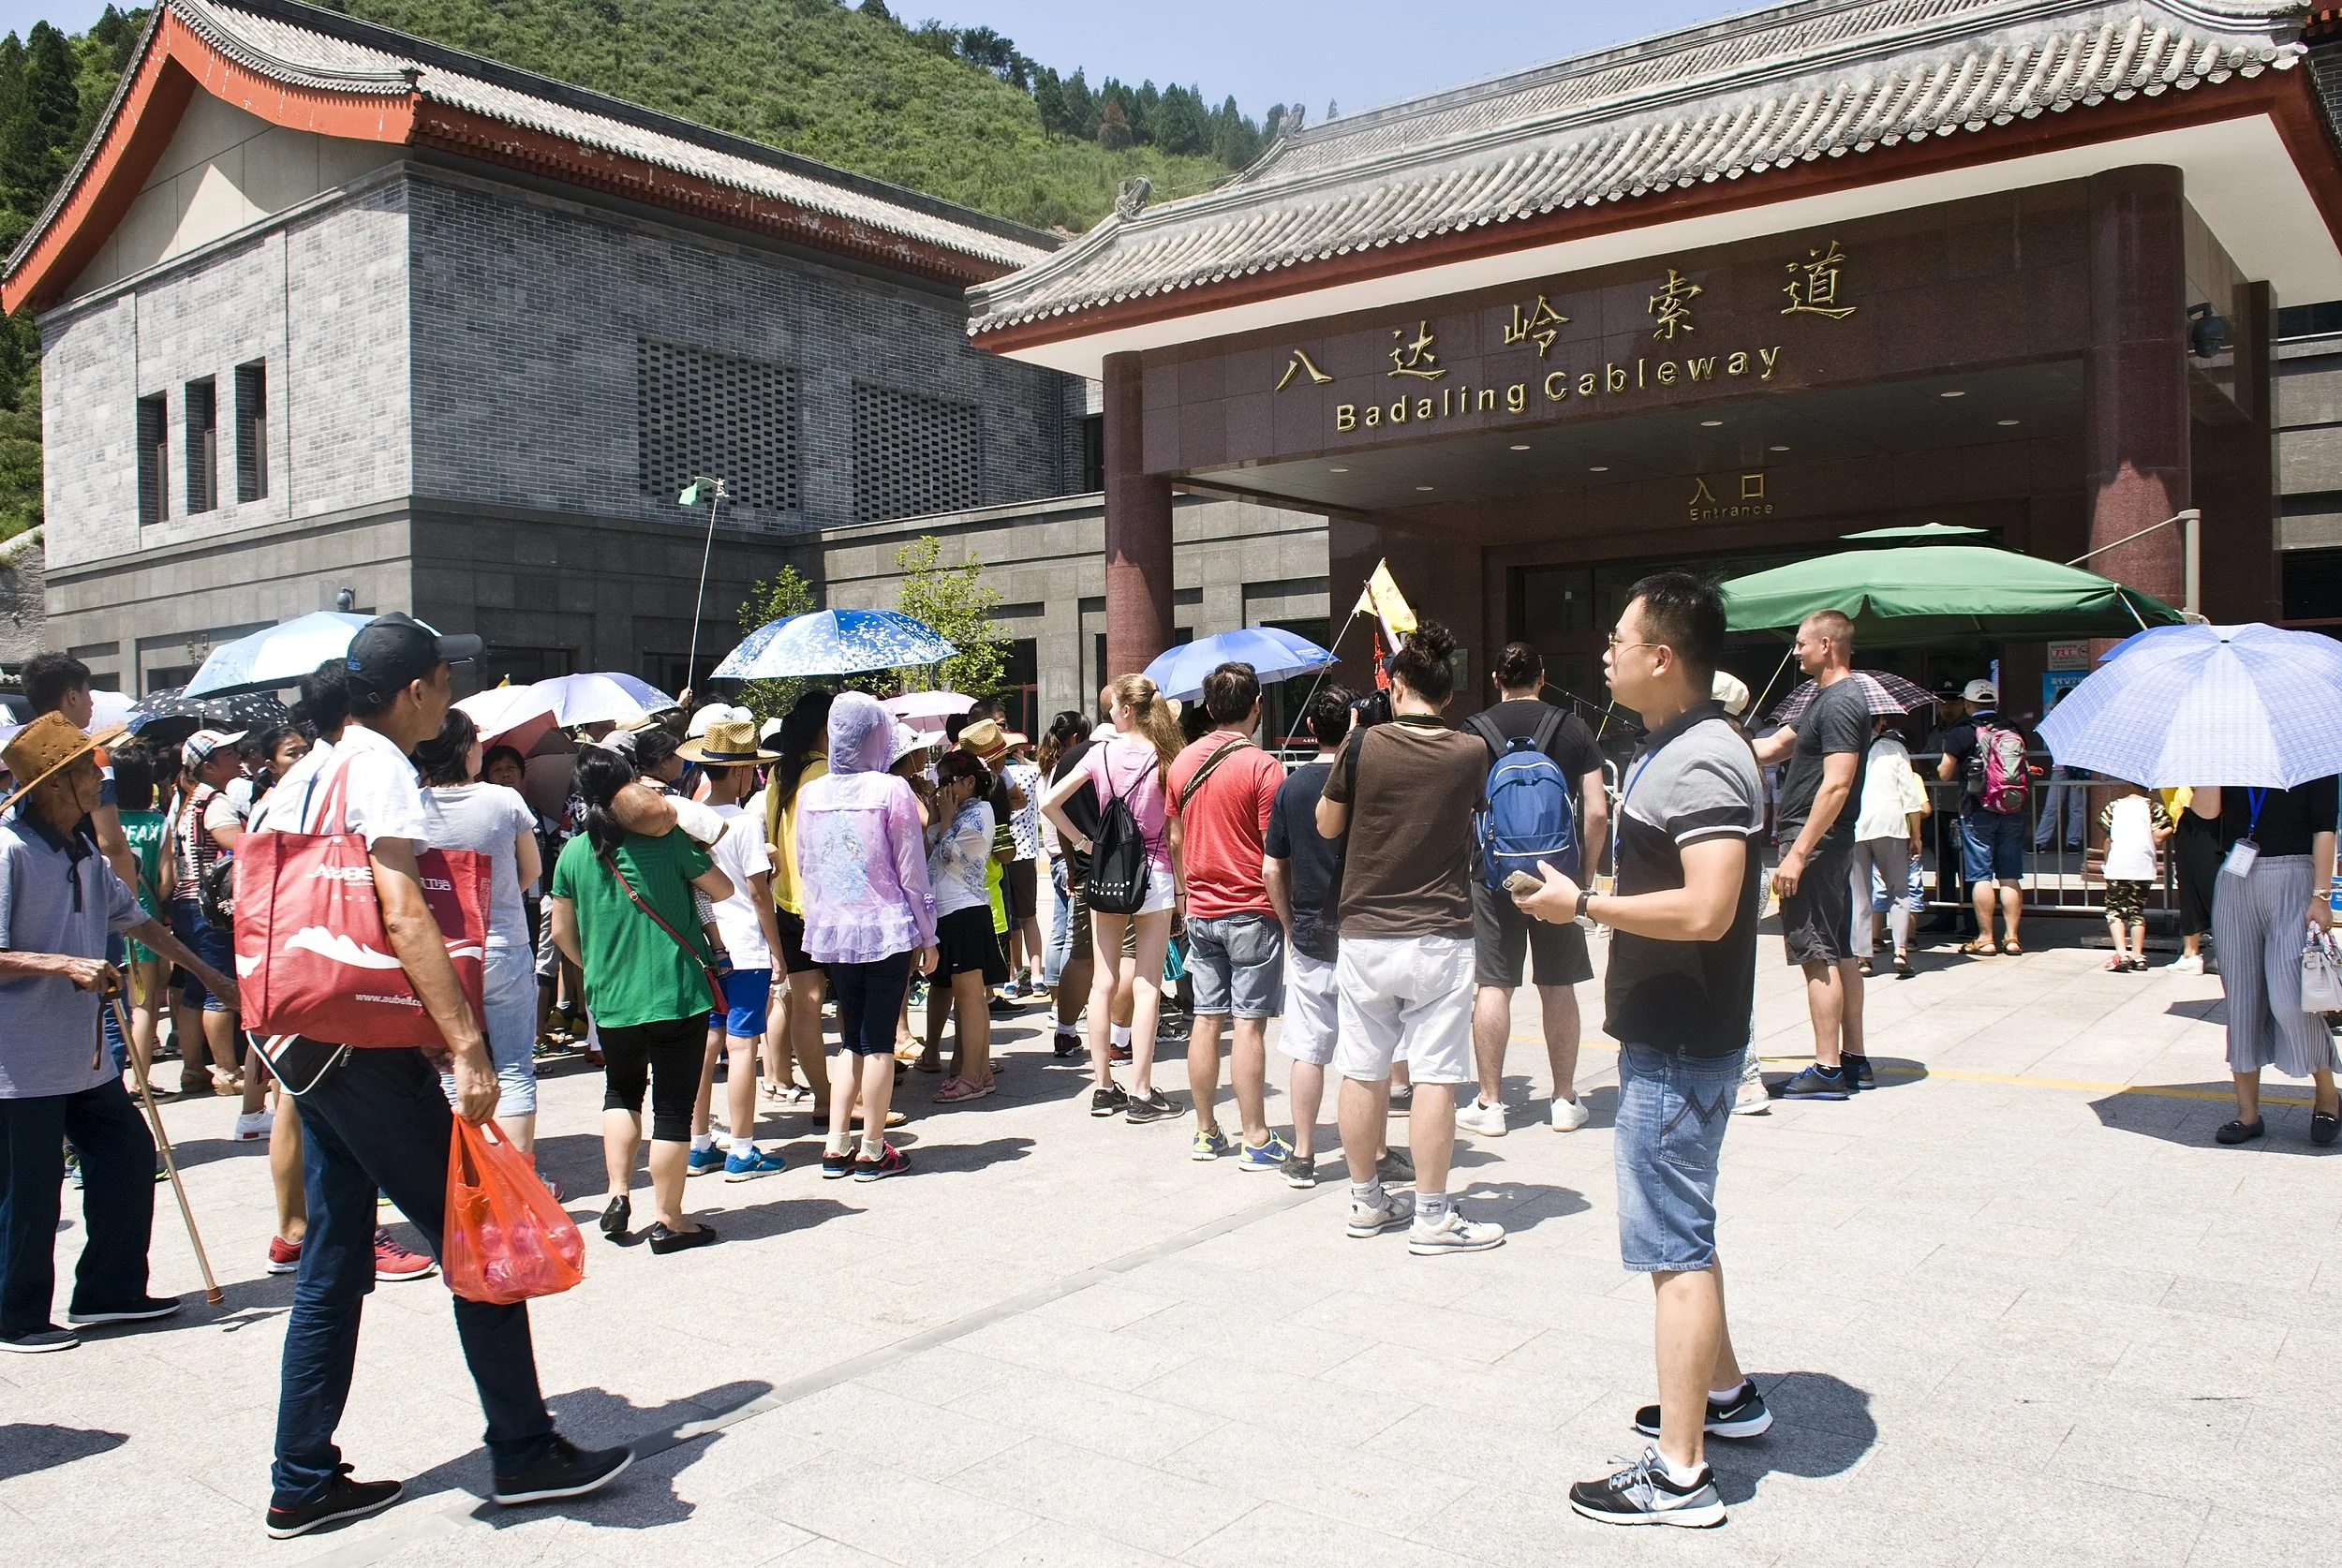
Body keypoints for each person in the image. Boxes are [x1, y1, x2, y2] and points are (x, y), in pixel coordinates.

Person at [251, 614, 630, 1534]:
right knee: (480, 1236)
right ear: (417, 690)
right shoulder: (379, 764)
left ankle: (302, 1477)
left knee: (335, 1260)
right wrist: (463, 1040)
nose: (450, 700)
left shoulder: (303, 770)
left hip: (303, 1035)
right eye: (444, 683)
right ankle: (524, 1450)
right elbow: (400, 909)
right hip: (362, 1048)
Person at [1513, 572, 1769, 1529]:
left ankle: (1679, 1474)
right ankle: (1729, 1399)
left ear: (1662, 657)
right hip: (1681, 1030)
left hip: (1679, 1038)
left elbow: (1707, 906)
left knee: (1675, 1250)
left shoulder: (1701, 757)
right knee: (1686, 1230)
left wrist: (1582, 903)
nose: (1606, 653)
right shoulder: (1686, 744)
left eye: (1619, 638)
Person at [0, 715, 240, 1354]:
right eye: (86, 771)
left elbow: (137, 922)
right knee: (29, 1189)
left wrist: (209, 973)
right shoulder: (9, 851)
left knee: (129, 1158)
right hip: (19, 1058)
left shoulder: (81, 852)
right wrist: (59, 963)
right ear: (54, 785)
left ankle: (108, 1291)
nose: (97, 780)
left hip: (82, 1052)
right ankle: (15, 1314)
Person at [1316, 620, 1506, 1255]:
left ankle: (1367, 1202)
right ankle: (1432, 1216)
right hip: (1440, 932)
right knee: (1434, 1077)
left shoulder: (1363, 746)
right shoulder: (1471, 750)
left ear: (1396, 686)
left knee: (1363, 1071)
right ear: (1447, 695)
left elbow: (1326, 826)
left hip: (1366, 929)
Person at [550, 748, 731, 1251]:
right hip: (676, 993)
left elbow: (562, 932)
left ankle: (617, 1192)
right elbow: (724, 890)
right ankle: (670, 1220)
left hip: (611, 997)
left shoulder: (573, 853)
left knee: (621, 1091)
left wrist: (600, 967)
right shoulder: (668, 841)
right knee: (673, 1109)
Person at [1459, 643, 1608, 1138]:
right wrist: (1580, 882)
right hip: (1558, 878)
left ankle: (1491, 1104)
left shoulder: (1473, 731)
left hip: (1493, 875)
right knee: (1557, 984)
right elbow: (1595, 812)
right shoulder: (1573, 728)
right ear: (1541, 678)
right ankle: (1564, 1100)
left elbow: (1458, 811)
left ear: (1497, 678)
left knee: (1494, 985)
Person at [794, 694, 939, 1179]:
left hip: (834, 927)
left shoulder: (812, 793)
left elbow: (807, 866)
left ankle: (836, 1143)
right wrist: (928, 932)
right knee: (879, 1040)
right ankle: (873, 1147)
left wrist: (821, 915)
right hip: (886, 925)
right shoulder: (892, 789)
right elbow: (911, 869)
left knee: (850, 1039)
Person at [1042, 674, 1186, 1123]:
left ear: (1127, 710)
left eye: (1113, 708)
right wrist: (1182, 892)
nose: (1109, 715)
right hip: (1156, 875)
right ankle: (1141, 1090)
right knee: (1147, 986)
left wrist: (1084, 844)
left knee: (1102, 982)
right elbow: (1177, 834)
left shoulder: (1100, 753)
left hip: (1107, 873)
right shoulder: (1169, 758)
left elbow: (1049, 803)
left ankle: (1103, 1086)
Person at [1164, 663, 1290, 1165]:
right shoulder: (1265, 768)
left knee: (1206, 1021)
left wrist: (1183, 896)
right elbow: (1273, 852)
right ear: (1256, 706)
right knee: (1250, 1026)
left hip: (1200, 908)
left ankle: (1205, 1130)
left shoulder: (1181, 764)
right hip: (1252, 911)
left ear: (1210, 708)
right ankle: (1255, 1136)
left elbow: (1175, 839)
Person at [416, 708, 545, 1154]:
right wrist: (500, 895)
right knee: (513, 1067)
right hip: (504, 943)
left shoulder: (413, 808)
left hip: (439, 952)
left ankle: (468, 1176)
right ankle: (520, 1181)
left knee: (452, 1067)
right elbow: (532, 869)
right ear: (465, 748)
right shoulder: (504, 800)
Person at [1752, 612, 1869, 1101]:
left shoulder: (1843, 701)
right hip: (1817, 842)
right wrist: (1720, 738)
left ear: (1826, 644)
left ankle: (1825, 1070)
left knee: (1816, 952)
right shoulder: (1823, 699)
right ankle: (1853, 1059)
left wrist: (1798, 853)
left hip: (1815, 843)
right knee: (1838, 950)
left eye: (1801, 644)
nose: (1795, 652)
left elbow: (1838, 783)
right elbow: (1775, 745)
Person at [2194, 778, 2341, 1146]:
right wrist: (2214, 765)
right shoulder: (2231, 753)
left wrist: (2321, 895)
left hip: (2294, 877)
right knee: (2242, 999)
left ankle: (2328, 1095)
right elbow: (2205, 812)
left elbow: (2325, 827)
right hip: (2235, 877)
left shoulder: (2309, 756)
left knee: (2291, 999)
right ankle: (2247, 1113)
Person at [675, 719, 790, 1181]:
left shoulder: (690, 819)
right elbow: (759, 893)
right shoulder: (745, 822)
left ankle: (699, 1143)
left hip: (704, 942)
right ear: (743, 773)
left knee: (707, 1044)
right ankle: (742, 1148)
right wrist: (777, 950)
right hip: (743, 942)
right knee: (744, 1048)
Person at [170, 726, 253, 1118]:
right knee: (218, 985)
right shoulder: (214, 801)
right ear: (208, 766)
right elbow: (236, 841)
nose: (237, 756)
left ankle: (192, 1068)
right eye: (228, 752)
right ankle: (226, 1069)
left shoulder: (183, 799)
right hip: (209, 904)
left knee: (192, 985)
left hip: (183, 902)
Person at [763, 690, 836, 1116]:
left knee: (806, 1006)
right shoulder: (826, 773)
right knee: (848, 1006)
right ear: (828, 728)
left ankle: (825, 1098)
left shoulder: (779, 771)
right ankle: (854, 1096)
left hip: (787, 902)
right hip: (826, 906)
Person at [924, 748, 1006, 1100]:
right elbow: (928, 846)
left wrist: (944, 818)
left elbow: (953, 855)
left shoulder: (980, 811)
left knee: (971, 996)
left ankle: (972, 1075)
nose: (943, 788)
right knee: (964, 993)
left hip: (966, 910)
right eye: (939, 781)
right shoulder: (957, 812)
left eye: (949, 781)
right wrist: (937, 816)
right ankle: (978, 1070)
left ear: (970, 782)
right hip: (946, 910)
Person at [1938, 679, 2028, 956]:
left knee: (1980, 877)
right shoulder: (2013, 729)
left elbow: (1944, 773)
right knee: (2010, 876)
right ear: (1995, 703)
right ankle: (2012, 938)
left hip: (1977, 810)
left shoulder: (1962, 732)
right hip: (2011, 809)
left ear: (1968, 703)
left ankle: (1986, 938)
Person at [1848, 716, 1927, 980]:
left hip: (1857, 826)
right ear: (1880, 722)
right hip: (1891, 826)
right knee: (1899, 890)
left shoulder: (1847, 747)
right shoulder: (1896, 749)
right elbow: (1910, 797)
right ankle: (1901, 950)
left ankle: (1863, 957)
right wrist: (1916, 835)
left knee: (1860, 895)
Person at [1035, 711, 1094, 1054]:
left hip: (1056, 856)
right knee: (1076, 940)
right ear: (1075, 739)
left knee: (1061, 932)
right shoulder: (1072, 766)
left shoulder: (1046, 766)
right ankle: (1067, 1008)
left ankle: (1058, 1003)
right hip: (1068, 856)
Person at [2097, 782, 2172, 972]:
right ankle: (2138, 955)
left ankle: (2121, 953)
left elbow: (2108, 838)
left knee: (2115, 910)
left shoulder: (2113, 806)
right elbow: (2157, 838)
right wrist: (2172, 826)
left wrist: (2107, 861)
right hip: (2143, 866)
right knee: (2136, 911)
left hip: (2118, 865)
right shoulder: (2154, 808)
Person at [998, 733, 1047, 998]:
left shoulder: (993, 777)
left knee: (1010, 920)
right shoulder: (1030, 774)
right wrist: (1026, 760)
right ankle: (1037, 975)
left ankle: (1012, 977)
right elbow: (1043, 770)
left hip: (1001, 852)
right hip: (1026, 852)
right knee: (1029, 916)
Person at [2165, 785, 2219, 972]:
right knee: (2192, 889)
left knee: (2205, 890)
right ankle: (2191, 951)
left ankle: (2196, 952)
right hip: (2189, 818)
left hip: (2199, 817)